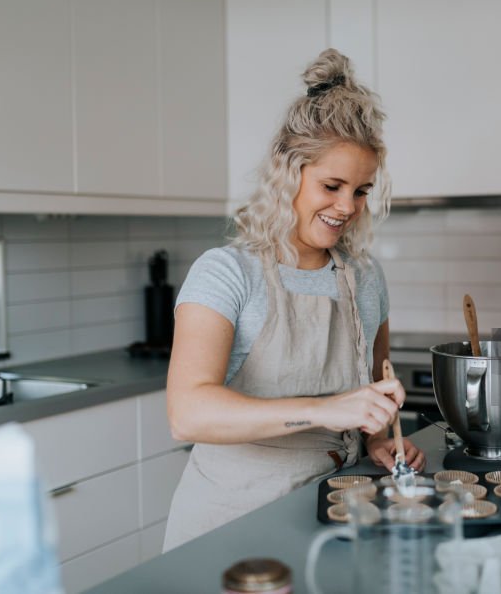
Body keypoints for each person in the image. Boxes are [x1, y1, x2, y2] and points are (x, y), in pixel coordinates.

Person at [162, 49, 425, 551]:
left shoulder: (365, 278)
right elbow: (188, 413)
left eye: (362, 191)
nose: (347, 207)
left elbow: (372, 393)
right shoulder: (226, 273)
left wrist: (378, 439)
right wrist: (326, 410)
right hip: (233, 526)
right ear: (288, 171)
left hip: (340, 515)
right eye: (332, 185)